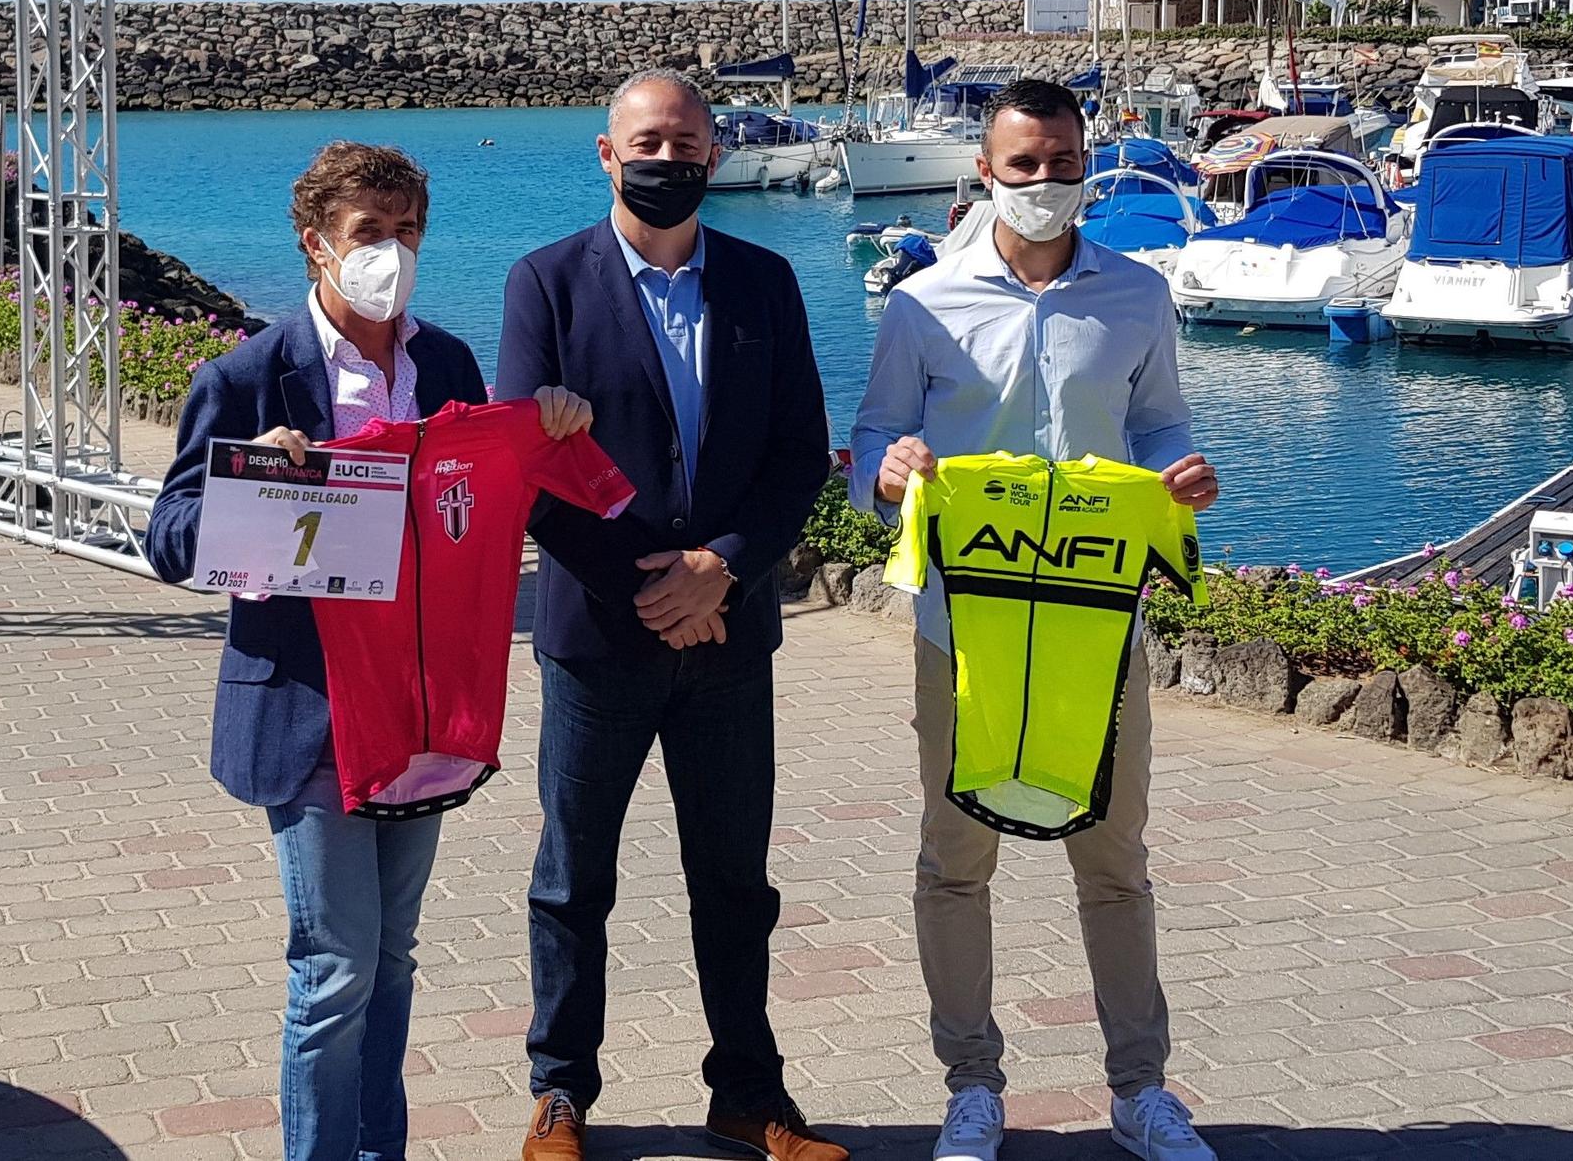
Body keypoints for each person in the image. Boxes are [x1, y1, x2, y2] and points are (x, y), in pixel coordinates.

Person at [145, 141, 594, 1161]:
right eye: (366, 234)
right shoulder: (247, 374)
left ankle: (376, 1148)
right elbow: (168, 536)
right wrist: (257, 484)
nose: (389, 252)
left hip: (421, 707)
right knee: (333, 968)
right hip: (307, 710)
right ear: (315, 244)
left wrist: (556, 425)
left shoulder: (445, 365)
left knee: (390, 958)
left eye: (405, 232)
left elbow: (490, 480)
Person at [849, 79, 1222, 1161]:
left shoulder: (1139, 295)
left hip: (1098, 631)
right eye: (1023, 165)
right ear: (984, 170)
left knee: (1113, 860)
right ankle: (970, 1084)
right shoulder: (921, 301)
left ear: (1086, 165)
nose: (1045, 182)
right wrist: (890, 467)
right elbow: (869, 437)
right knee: (954, 860)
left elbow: (1158, 426)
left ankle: (1139, 1088)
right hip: (959, 632)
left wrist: (1177, 474)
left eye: (1062, 162)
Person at [496, 69, 844, 1161]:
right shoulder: (544, 283)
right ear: (605, 153)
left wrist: (719, 569)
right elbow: (529, 467)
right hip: (601, 638)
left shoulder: (765, 281)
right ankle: (560, 1091)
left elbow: (798, 457)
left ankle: (748, 1090)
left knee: (735, 879)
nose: (669, 157)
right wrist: (649, 590)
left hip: (730, 635)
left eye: (688, 141)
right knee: (572, 877)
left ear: (714, 154)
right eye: (647, 139)